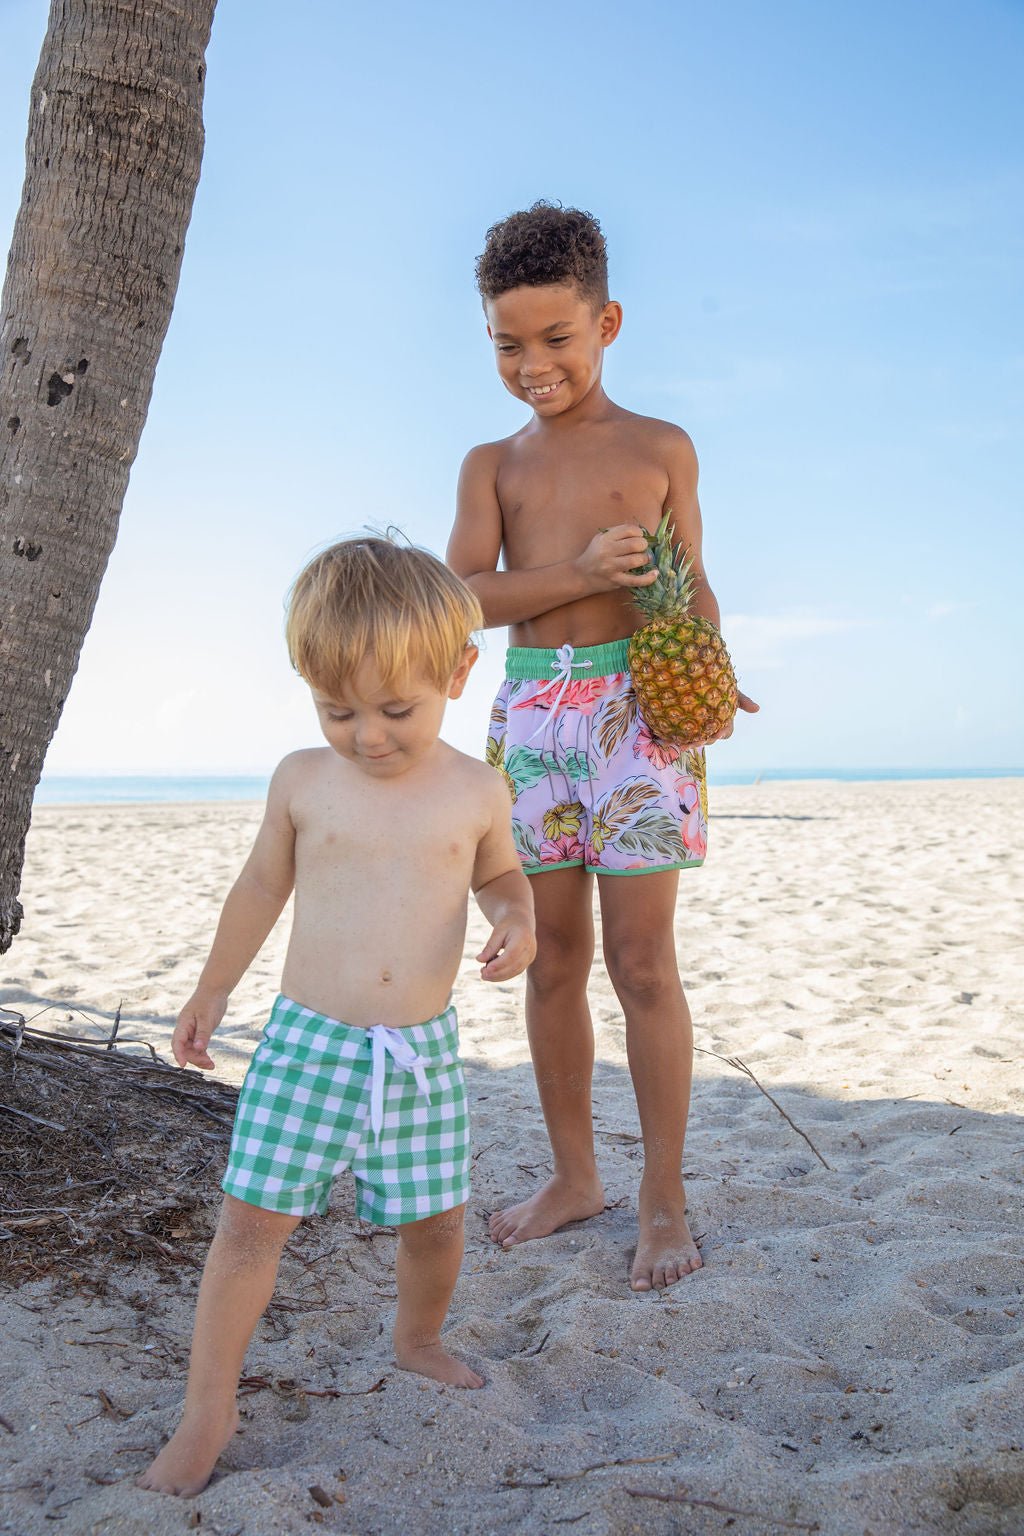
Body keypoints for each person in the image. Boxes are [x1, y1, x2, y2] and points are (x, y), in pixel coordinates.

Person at [140, 535, 536, 1498]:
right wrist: (210, 988)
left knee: (436, 1222)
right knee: (248, 1227)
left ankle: (417, 1337)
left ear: (458, 671)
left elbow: (500, 874)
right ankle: (209, 1407)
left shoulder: (478, 788)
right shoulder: (302, 781)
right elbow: (259, 888)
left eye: (396, 709)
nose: (366, 735)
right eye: (337, 710)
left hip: (423, 1055)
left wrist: (516, 919)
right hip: (309, 1044)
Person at [447, 202, 757, 1293]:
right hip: (532, 715)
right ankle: (575, 1176)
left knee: (639, 963)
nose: (533, 365)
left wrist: (706, 664)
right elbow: (464, 597)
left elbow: (694, 581)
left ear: (607, 322)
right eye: (508, 345)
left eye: (555, 340)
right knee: (552, 961)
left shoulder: (661, 447)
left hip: (640, 714)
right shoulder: (492, 464)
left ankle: (662, 1197)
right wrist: (579, 572)